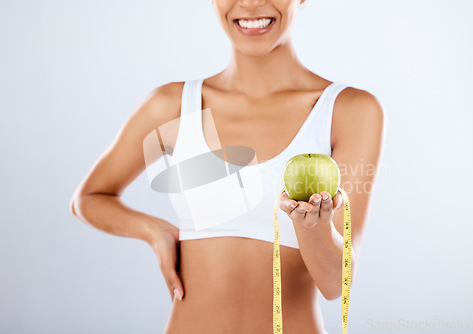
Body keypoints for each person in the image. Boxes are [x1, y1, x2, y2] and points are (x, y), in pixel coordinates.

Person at [70, 0, 385, 333]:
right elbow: (89, 197)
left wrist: (313, 227)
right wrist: (154, 231)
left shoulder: (348, 111)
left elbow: (336, 285)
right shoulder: (173, 107)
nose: (250, 3)